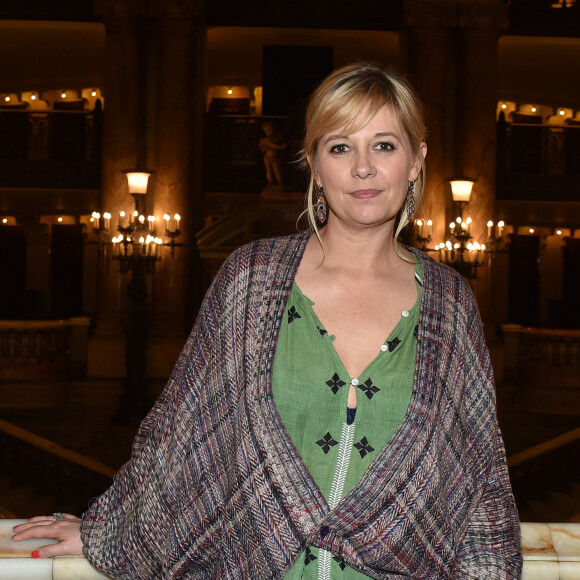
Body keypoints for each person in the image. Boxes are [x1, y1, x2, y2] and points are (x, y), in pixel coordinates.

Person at [12, 62, 522, 579]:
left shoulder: (451, 303)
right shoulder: (251, 279)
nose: (363, 168)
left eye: (385, 145)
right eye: (341, 147)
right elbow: (182, 433)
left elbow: (478, 473)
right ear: (315, 166)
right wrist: (109, 530)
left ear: (417, 161)